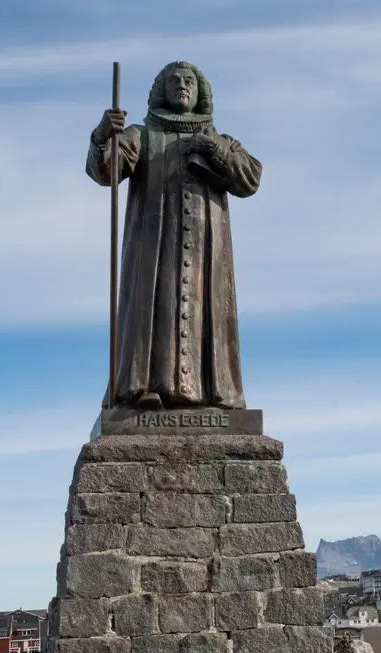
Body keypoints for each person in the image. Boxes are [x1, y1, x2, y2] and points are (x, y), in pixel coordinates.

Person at [87, 61, 262, 410]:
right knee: (154, 307)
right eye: (173, 80)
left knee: (204, 314)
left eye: (189, 81)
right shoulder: (142, 134)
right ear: (160, 91)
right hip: (153, 247)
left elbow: (250, 179)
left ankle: (211, 392)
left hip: (205, 254)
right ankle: (144, 389)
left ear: (201, 94)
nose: (181, 85)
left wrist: (214, 147)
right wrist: (102, 136)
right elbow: (105, 171)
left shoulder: (219, 141)